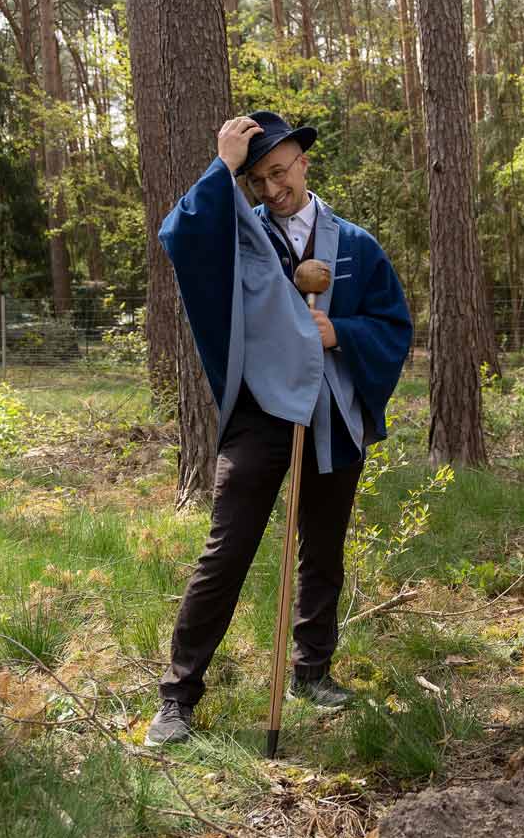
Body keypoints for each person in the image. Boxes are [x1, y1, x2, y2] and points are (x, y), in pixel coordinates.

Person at [143, 111, 412, 747]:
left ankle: (312, 670)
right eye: (257, 178)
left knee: (322, 546)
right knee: (227, 547)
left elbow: (393, 324)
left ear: (303, 160)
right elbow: (179, 236)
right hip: (263, 412)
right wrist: (222, 165)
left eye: (278, 172)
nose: (270, 189)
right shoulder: (240, 237)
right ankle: (179, 695)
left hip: (332, 412)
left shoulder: (357, 244)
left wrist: (339, 332)